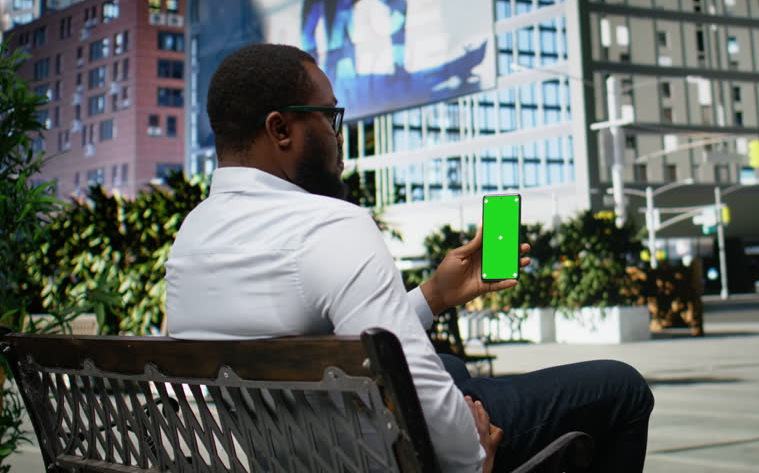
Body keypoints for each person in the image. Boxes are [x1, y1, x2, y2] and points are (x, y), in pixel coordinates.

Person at [166, 43, 654, 473]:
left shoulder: (192, 237)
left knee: (450, 367)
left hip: (286, 449)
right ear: (281, 129)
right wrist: (473, 459)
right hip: (368, 452)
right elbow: (424, 403)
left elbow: (359, 347)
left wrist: (434, 296)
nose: (339, 136)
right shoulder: (329, 224)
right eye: (329, 117)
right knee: (623, 387)